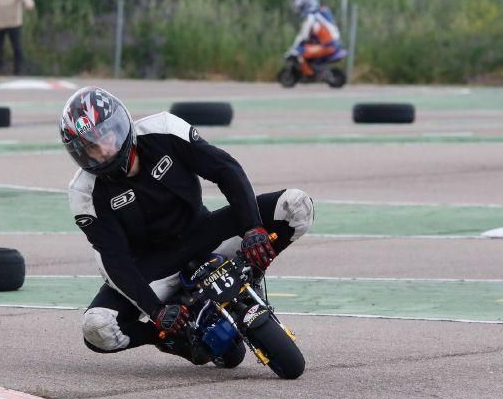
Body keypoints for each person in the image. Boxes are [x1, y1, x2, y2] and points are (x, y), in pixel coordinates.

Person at [61, 87, 314, 366]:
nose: (103, 152)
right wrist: (156, 312)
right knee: (98, 328)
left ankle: (250, 273)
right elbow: (115, 259)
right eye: (90, 148)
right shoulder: (83, 193)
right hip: (152, 266)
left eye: (104, 138)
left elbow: (226, 170)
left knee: (296, 205)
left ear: (121, 124)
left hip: (203, 232)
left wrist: (253, 229)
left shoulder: (165, 129)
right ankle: (171, 337)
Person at [287, 0, 342, 78]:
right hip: (335, 43)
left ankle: (310, 74)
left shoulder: (311, 17)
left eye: (301, 8)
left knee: (299, 52)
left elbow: (303, 35)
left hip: (327, 46)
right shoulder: (322, 13)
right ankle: (315, 69)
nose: (299, 11)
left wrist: (294, 47)